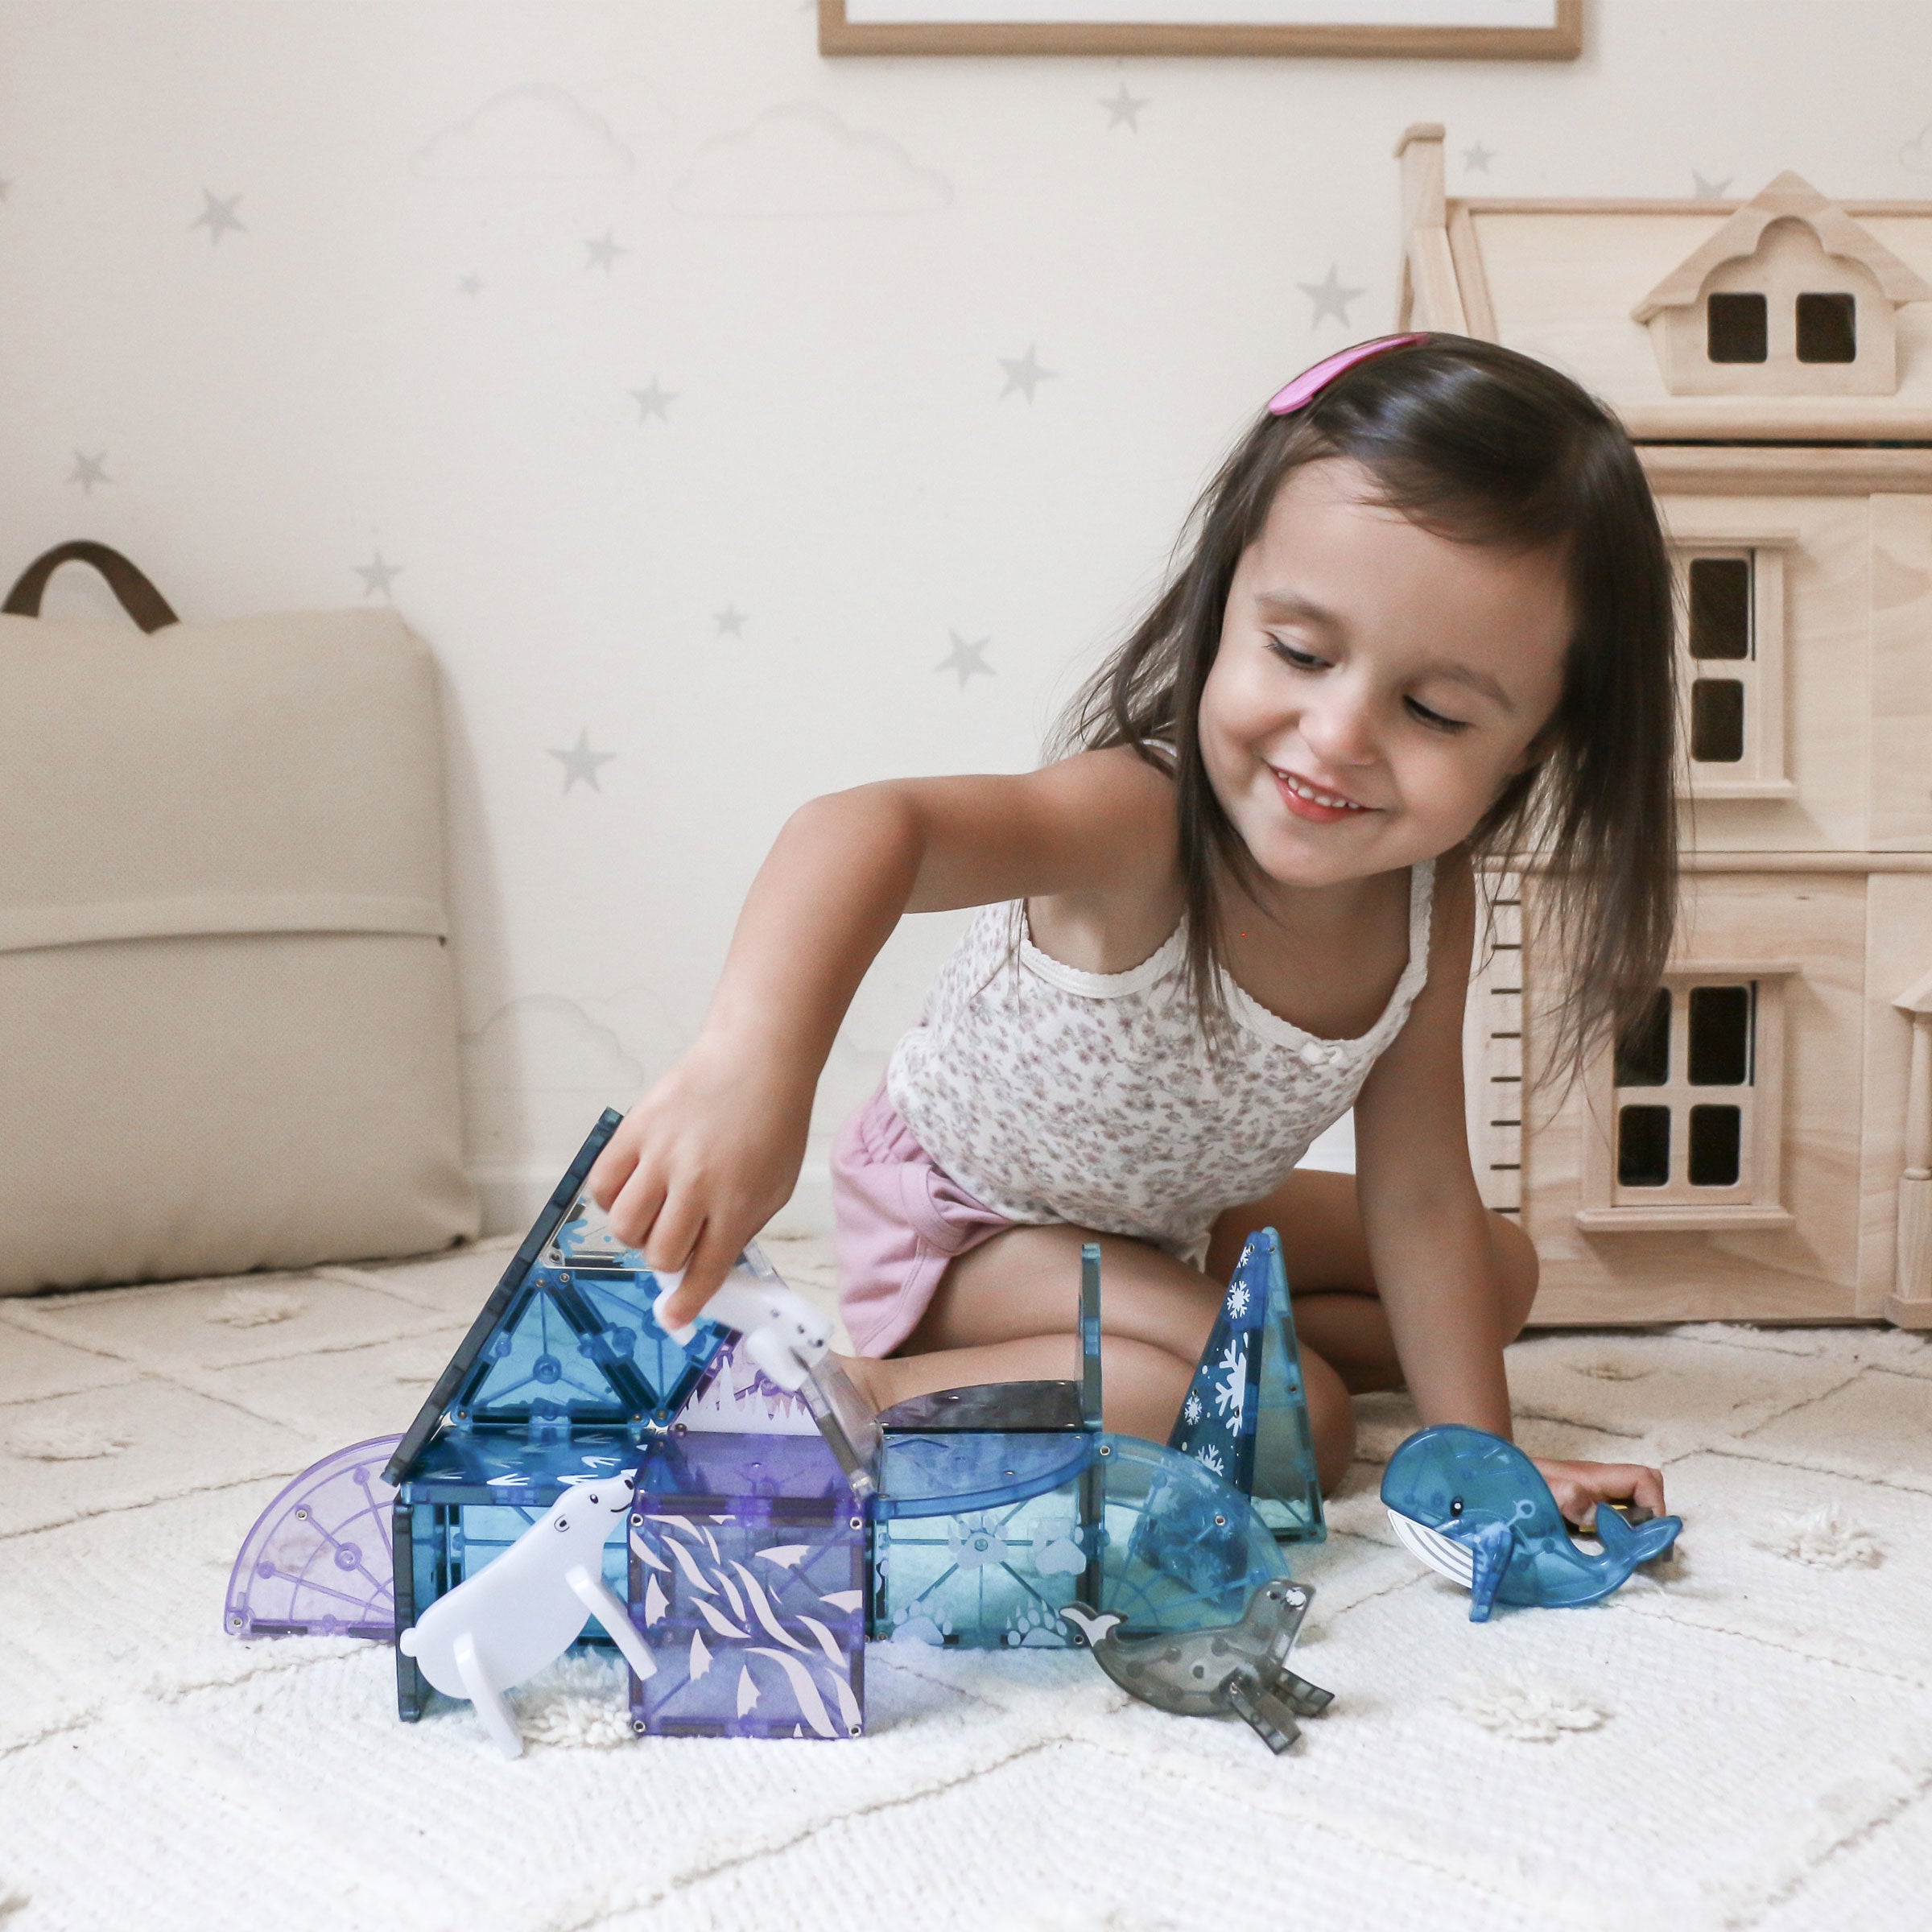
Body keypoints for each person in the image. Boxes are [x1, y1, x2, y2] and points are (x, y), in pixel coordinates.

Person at [590, 332, 1674, 1528]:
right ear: (1224, 610)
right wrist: (752, 1065)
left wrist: (1480, 1453)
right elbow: (867, 828)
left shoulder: (1430, 896)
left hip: (1170, 1224)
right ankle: (863, 1392)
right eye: (1300, 653)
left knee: (1494, 1273)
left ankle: (1148, 1337)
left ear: (1536, 745)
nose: (1339, 733)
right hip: (973, 1232)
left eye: (1433, 710)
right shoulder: (1137, 818)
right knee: (1292, 1419)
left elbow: (1415, 1193)